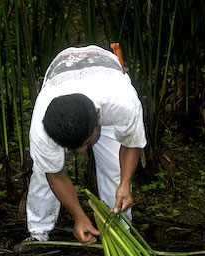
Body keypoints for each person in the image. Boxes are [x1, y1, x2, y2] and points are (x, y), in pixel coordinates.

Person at [26, 45, 147, 245]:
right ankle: (38, 234)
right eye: (76, 148)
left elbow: (131, 143)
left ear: (98, 116)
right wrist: (78, 216)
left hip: (107, 74)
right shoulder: (42, 125)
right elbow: (54, 173)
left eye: (87, 143)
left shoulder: (123, 102)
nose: (83, 151)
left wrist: (125, 183)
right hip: (61, 72)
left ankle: (120, 231)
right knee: (42, 171)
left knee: (116, 171)